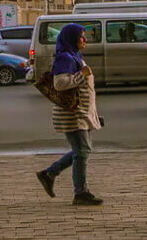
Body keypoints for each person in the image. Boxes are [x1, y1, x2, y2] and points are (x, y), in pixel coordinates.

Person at [35, 23, 104, 206]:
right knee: (82, 151)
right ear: (72, 38)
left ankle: (49, 174)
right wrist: (82, 75)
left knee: (81, 151)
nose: (85, 39)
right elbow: (59, 83)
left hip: (81, 113)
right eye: (81, 36)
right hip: (72, 114)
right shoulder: (64, 57)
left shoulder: (74, 55)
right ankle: (79, 192)